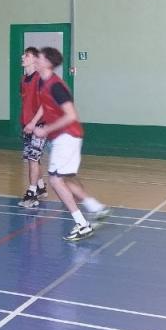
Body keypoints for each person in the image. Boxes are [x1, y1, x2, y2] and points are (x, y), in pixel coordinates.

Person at [33, 47, 109, 241]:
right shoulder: (42, 81)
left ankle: (82, 224)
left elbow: (71, 115)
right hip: (63, 137)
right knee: (65, 178)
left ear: (47, 63)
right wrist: (36, 123)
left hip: (67, 136)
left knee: (55, 180)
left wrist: (46, 129)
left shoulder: (56, 86)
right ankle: (96, 208)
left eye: (39, 57)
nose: (36, 59)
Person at [17, 46, 49, 208]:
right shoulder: (23, 80)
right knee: (33, 159)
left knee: (33, 159)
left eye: (27, 55)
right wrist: (26, 122)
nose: (23, 57)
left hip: (40, 125)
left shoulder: (40, 78)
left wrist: (33, 122)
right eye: (23, 55)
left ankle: (32, 194)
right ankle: (41, 187)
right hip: (27, 125)